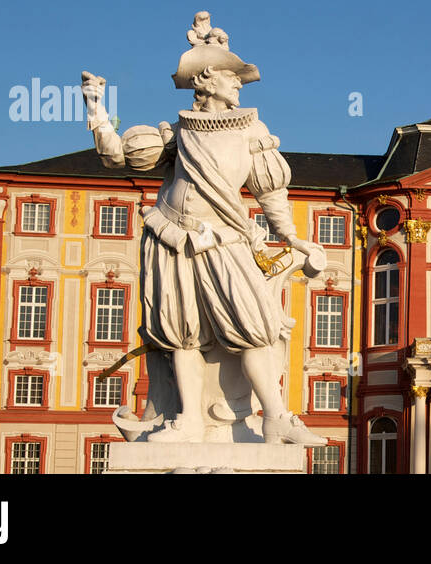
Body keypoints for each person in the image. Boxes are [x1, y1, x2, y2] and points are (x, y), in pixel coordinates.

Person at [81, 16, 325, 445]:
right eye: (232, 78)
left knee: (254, 325)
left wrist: (292, 238)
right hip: (171, 236)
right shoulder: (178, 131)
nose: (238, 86)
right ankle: (188, 420)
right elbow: (118, 156)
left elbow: (271, 193)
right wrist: (97, 109)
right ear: (208, 81)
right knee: (181, 330)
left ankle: (275, 417)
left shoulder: (253, 130)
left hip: (225, 238)